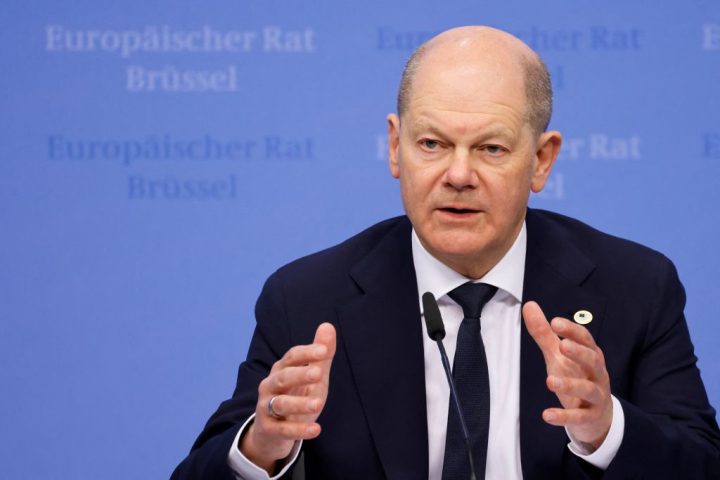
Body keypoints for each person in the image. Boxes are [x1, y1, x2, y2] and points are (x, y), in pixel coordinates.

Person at [172, 26, 720, 479]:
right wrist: (263, 446)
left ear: (541, 160)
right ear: (396, 147)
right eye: (432, 144)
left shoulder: (635, 287)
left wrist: (607, 430)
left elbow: (703, 464)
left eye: (491, 148)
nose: (458, 175)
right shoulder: (307, 298)